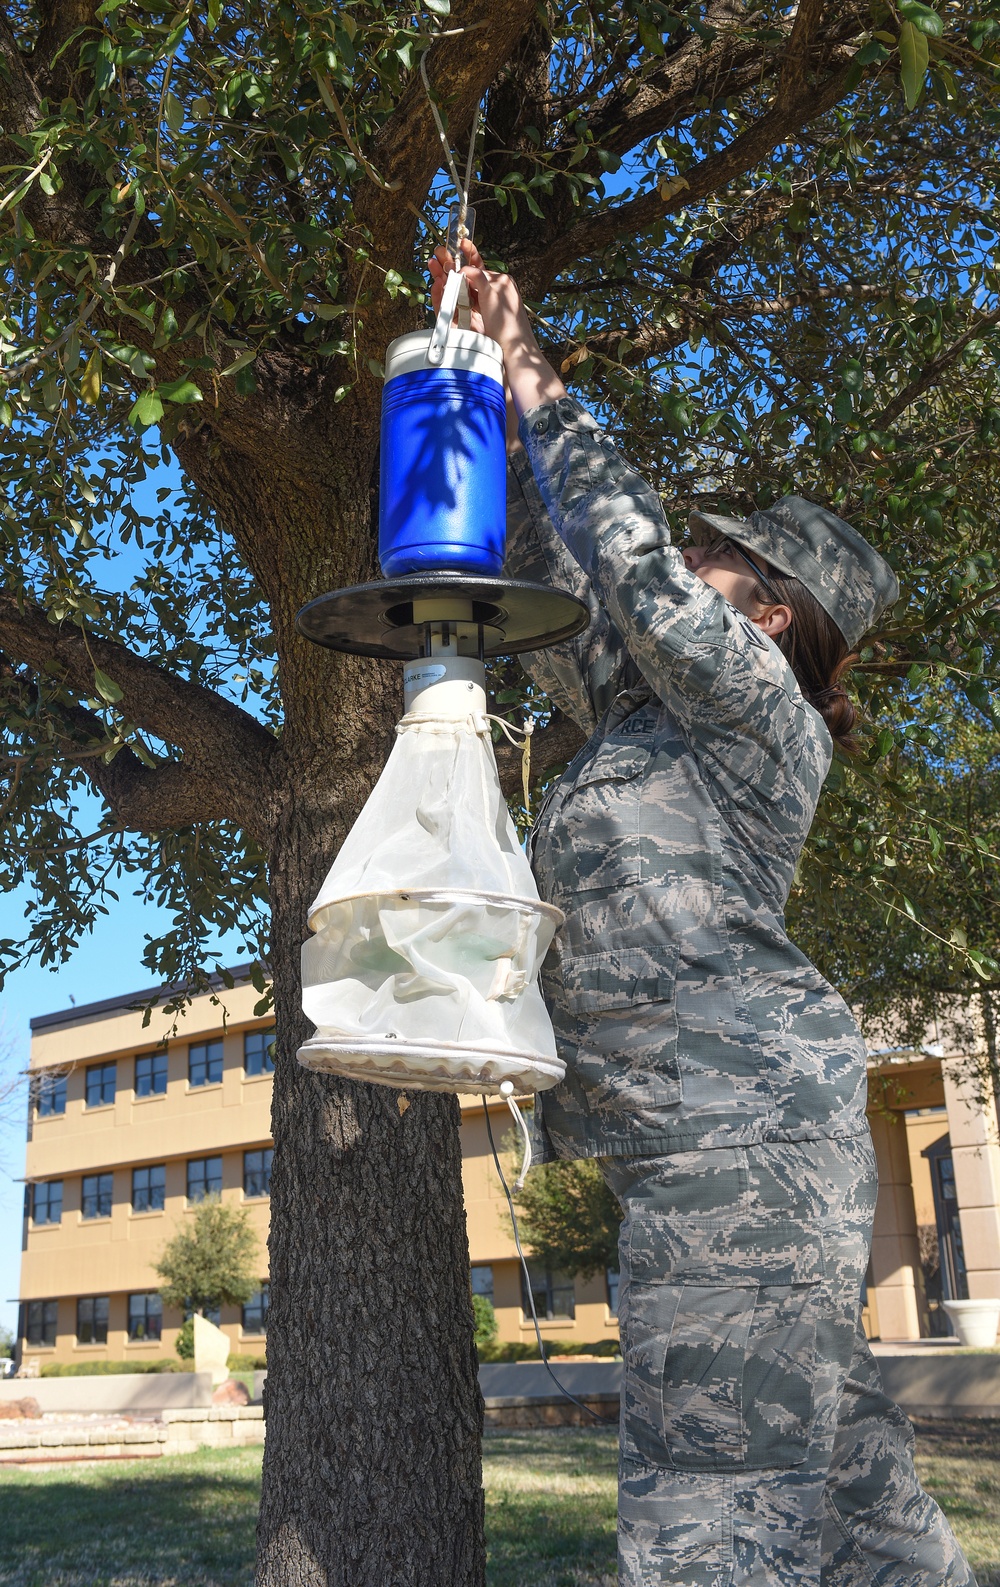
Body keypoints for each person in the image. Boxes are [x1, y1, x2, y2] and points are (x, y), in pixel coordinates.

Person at [429, 243, 976, 1586]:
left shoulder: (759, 715)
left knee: (712, 1514)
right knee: (852, 1498)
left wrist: (542, 383)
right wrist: (489, 394)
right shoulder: (644, 712)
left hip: (736, 1148)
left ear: (772, 610)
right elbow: (570, 588)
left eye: (719, 556)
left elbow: (646, 590)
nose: (688, 556)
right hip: (715, 1149)